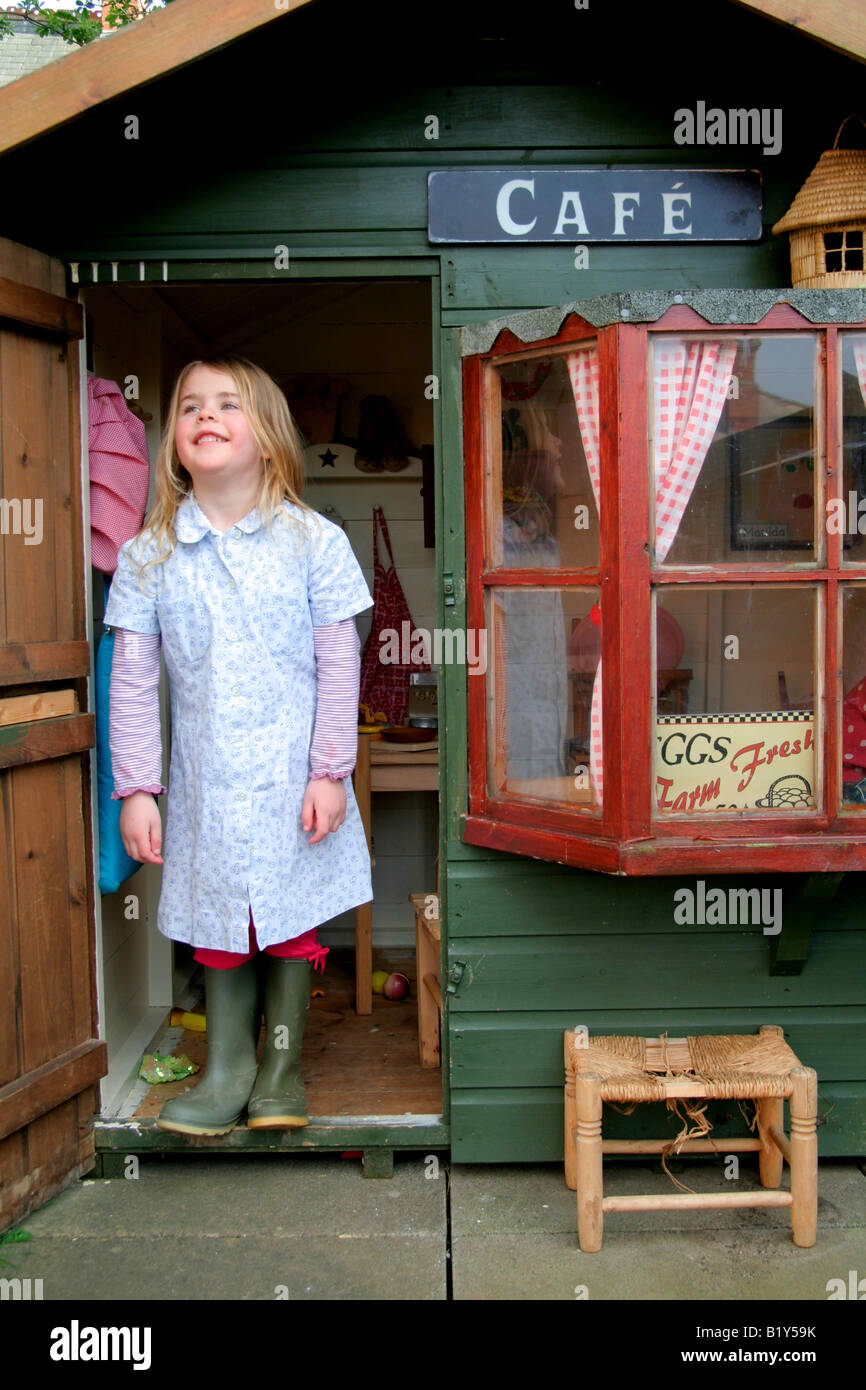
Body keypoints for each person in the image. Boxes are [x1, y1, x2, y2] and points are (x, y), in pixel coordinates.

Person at [105, 355, 374, 1136]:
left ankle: (281, 1072)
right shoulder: (149, 555)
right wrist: (138, 788)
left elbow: (338, 661)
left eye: (228, 404)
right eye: (190, 407)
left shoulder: (312, 542)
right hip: (205, 785)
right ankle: (228, 1070)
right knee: (220, 921)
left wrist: (330, 772)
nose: (206, 417)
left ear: (267, 435)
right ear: (175, 441)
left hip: (295, 780)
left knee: (289, 921)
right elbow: (132, 681)